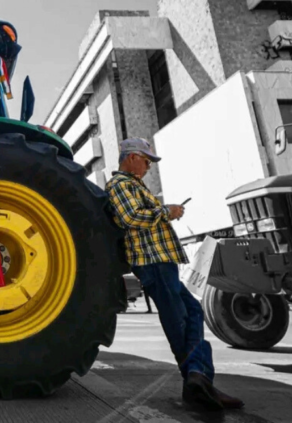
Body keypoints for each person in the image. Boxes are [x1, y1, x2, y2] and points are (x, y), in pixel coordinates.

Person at [105, 137, 244, 412]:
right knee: (180, 320)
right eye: (146, 161)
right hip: (152, 261)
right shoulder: (120, 185)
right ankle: (197, 381)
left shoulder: (133, 185)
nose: (148, 166)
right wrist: (165, 211)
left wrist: (163, 212)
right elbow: (130, 218)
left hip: (161, 262)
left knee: (191, 313)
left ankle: (199, 379)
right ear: (131, 157)